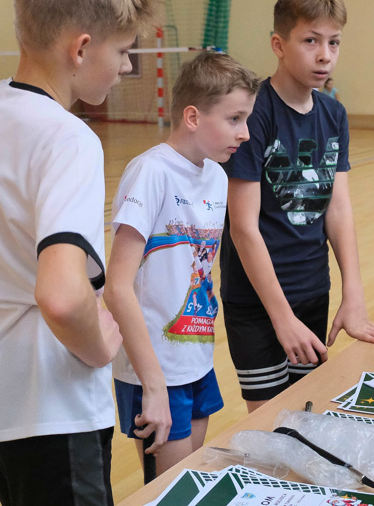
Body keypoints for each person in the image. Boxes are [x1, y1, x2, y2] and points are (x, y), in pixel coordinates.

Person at [0, 0, 158, 506]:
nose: (127, 66)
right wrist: (99, 345)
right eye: (123, 52)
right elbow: (59, 296)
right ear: (81, 48)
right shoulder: (68, 139)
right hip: (48, 403)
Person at [220, 0, 374, 413]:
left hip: (313, 290)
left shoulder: (333, 114)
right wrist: (282, 319)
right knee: (268, 425)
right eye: (311, 41)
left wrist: (352, 295)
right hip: (259, 301)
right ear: (279, 45)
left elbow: (338, 209)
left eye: (334, 42)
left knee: (304, 415)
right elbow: (243, 227)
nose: (325, 55)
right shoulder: (254, 114)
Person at [103, 52, 259, 476]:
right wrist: (153, 385)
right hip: (154, 371)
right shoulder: (150, 173)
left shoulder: (217, 177)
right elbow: (116, 288)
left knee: (185, 482)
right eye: (234, 119)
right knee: (170, 489)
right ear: (192, 116)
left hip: (196, 358)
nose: (245, 133)